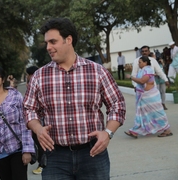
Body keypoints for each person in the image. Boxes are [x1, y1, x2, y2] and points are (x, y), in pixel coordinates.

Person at [23, 17, 126, 180]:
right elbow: (29, 109)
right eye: (47, 43)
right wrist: (38, 129)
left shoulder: (97, 72)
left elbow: (117, 105)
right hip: (55, 156)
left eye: (53, 42)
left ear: (68, 39)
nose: (48, 47)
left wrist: (108, 133)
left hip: (93, 154)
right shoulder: (39, 76)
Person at [0, 64, 35, 180]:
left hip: (16, 149)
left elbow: (24, 124)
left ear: (3, 79)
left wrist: (27, 150)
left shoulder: (15, 96)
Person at [124, 56, 172, 138]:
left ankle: (167, 130)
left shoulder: (148, 69)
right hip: (144, 96)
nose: (138, 64)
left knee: (158, 113)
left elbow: (142, 81)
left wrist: (131, 77)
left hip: (151, 96)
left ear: (145, 62)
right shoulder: (143, 70)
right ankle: (135, 131)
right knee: (142, 114)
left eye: (140, 62)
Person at [26, 66, 44, 175]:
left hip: (40, 121)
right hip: (35, 121)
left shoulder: (38, 84)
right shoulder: (32, 84)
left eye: (29, 74)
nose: (28, 77)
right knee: (38, 142)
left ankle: (42, 165)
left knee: (41, 143)